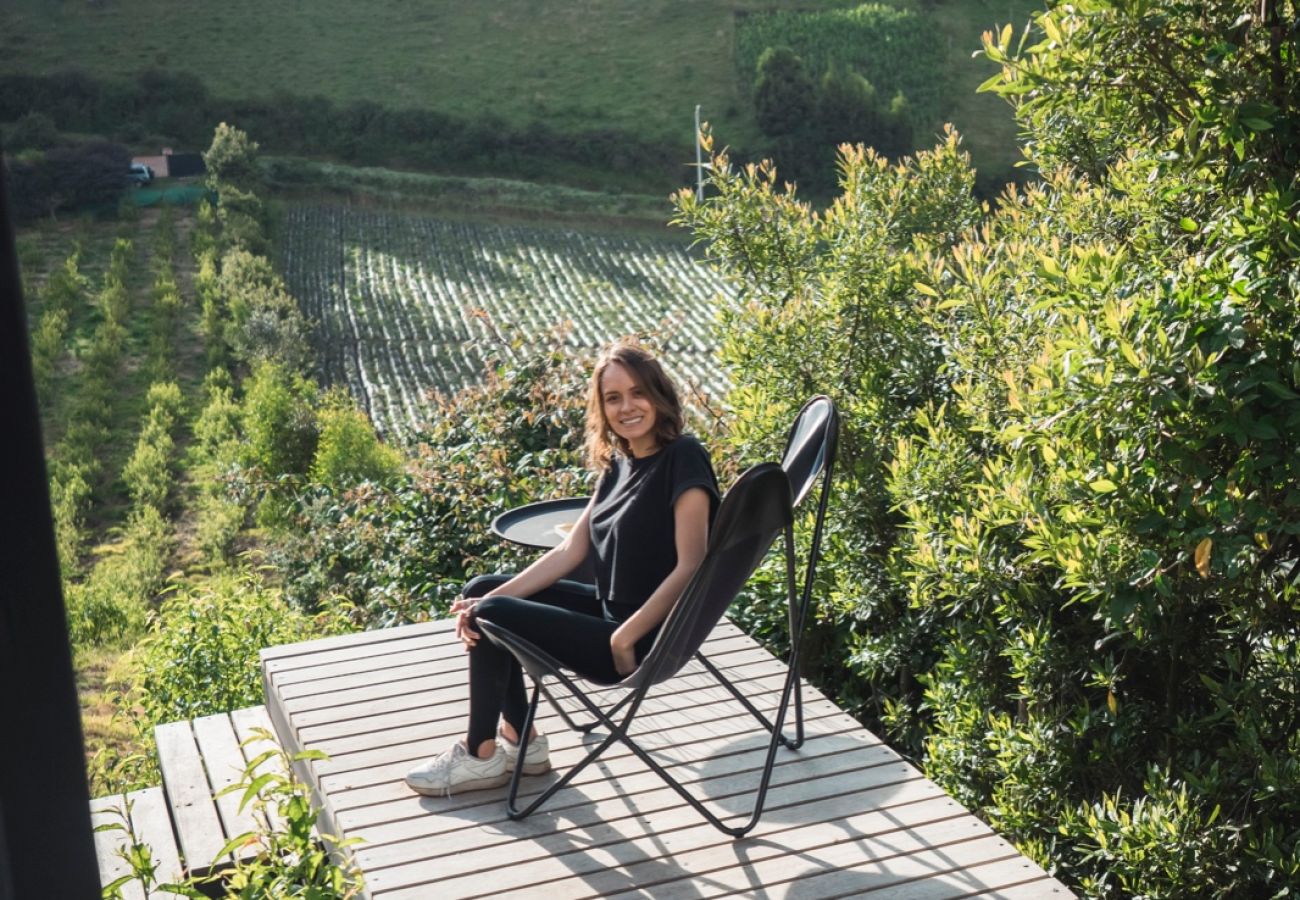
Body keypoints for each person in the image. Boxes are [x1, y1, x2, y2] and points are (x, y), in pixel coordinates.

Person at [405, 341, 720, 796]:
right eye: (613, 398)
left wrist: (625, 637)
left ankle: (480, 753)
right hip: (609, 615)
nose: (627, 407)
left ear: (659, 395)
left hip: (642, 637)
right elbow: (569, 553)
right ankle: (522, 741)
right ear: (602, 407)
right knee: (485, 592)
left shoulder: (683, 457)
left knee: (494, 612)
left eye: (638, 393)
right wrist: (486, 600)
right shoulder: (618, 464)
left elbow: (693, 565)